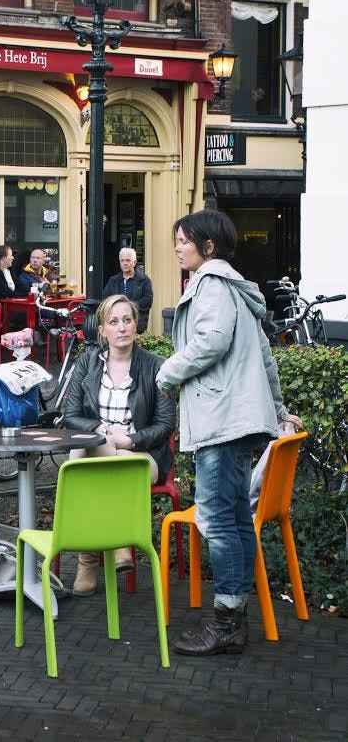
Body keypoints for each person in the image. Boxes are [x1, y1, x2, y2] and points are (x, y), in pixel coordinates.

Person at [156, 209, 302, 657]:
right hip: (238, 418)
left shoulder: (212, 285)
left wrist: (168, 371)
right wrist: (276, 409)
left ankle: (225, 623)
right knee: (236, 520)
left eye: (184, 240)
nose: (178, 247)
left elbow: (212, 341)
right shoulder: (235, 288)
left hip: (221, 418)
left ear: (209, 246)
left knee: (219, 522)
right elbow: (265, 357)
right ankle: (233, 618)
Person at [62, 294, 175, 595]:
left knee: (80, 462)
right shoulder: (87, 363)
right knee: (89, 449)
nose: (122, 327)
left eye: (127, 320)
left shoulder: (155, 366)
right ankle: (119, 543)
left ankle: (87, 560)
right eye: (114, 322)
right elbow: (70, 416)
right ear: (102, 330)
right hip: (101, 446)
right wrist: (100, 428)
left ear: (136, 325)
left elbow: (165, 426)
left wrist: (131, 440)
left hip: (142, 457)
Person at [100, 247, 154, 333]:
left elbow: (148, 300)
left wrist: (130, 307)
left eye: (128, 260)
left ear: (134, 262)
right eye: (122, 260)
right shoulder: (113, 280)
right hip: (116, 327)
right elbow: (105, 300)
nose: (125, 263)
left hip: (137, 327)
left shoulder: (144, 280)